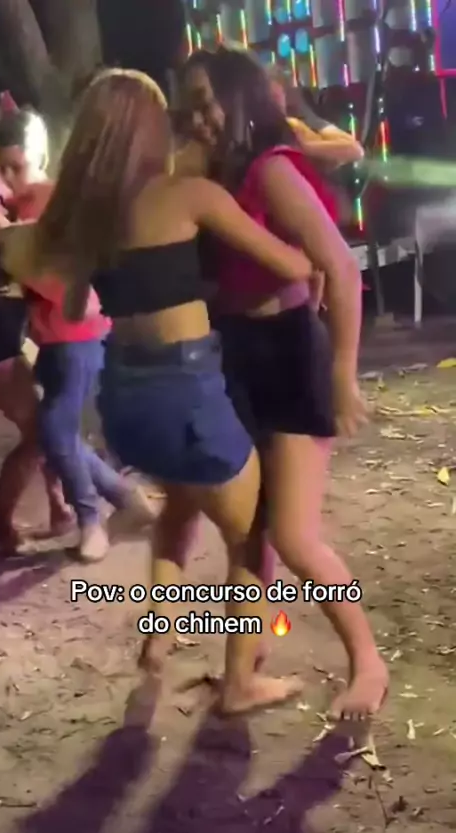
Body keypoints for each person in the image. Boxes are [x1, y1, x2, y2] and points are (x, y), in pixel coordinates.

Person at [5, 69, 319, 714]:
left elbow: (55, 285)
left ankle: (159, 637)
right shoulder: (190, 196)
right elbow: (294, 264)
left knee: (180, 508)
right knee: (251, 537)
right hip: (188, 391)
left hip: (124, 399)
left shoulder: (88, 222)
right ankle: (240, 683)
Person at [179, 45, 388, 721]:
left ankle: (368, 661)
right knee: (248, 531)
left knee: (293, 536)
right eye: (189, 108)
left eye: (206, 103)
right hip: (237, 354)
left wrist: (343, 374)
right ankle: (243, 669)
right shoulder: (219, 175)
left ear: (238, 98)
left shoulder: (271, 169)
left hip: (289, 356)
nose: (198, 118)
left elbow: (340, 268)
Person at [0, 109, 155, 563]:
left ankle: (91, 520)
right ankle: (125, 500)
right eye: (2, 167)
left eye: (17, 166)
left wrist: (4, 239)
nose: (9, 176)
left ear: (39, 156)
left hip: (78, 334)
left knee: (55, 429)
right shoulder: (23, 202)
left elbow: (60, 276)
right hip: (56, 339)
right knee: (55, 432)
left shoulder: (51, 203)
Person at [0, 116, 71, 554]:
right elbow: (18, 245)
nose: (9, 173)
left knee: (44, 418)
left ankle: (59, 505)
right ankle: (0, 522)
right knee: (41, 429)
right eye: (4, 165)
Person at [267, 66, 364, 169]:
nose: (274, 103)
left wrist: (304, 148)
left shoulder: (299, 118)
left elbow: (355, 150)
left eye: (276, 96)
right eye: (269, 97)